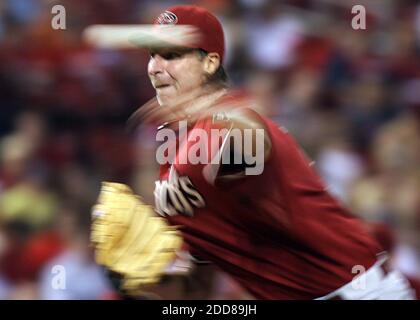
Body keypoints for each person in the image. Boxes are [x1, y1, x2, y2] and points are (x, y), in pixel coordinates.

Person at [91, 5, 417, 300]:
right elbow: (201, 279)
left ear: (210, 62)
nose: (156, 67)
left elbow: (248, 149)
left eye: (172, 55)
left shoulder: (233, 120)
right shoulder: (171, 146)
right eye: (153, 55)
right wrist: (150, 280)